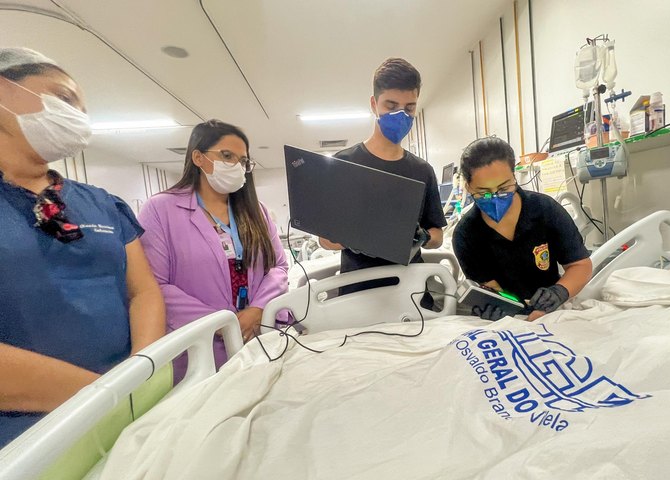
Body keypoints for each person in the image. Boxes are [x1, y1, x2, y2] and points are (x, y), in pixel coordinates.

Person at [0, 47, 165, 447]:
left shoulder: (103, 203)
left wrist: (140, 371)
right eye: (63, 98)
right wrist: (103, 396)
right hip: (28, 432)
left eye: (81, 108)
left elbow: (143, 291)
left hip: (133, 403)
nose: (76, 116)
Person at [138, 120, 288, 382]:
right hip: (201, 342)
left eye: (243, 161)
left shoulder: (255, 211)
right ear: (198, 157)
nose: (236, 166)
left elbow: (279, 267)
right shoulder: (161, 209)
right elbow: (155, 284)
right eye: (227, 156)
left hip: (258, 331)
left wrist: (257, 309)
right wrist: (220, 323)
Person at [319, 57, 446, 297]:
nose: (401, 115)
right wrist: (354, 238)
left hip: (412, 291)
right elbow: (325, 239)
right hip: (358, 292)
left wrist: (423, 237)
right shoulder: (342, 164)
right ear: (373, 104)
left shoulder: (422, 170)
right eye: (391, 105)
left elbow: (438, 234)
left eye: (409, 107)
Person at [452, 136, 592, 321]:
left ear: (514, 176)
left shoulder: (544, 210)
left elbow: (580, 265)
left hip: (555, 310)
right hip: (510, 316)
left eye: (503, 187)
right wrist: (501, 307)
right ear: (468, 187)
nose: (495, 197)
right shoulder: (466, 235)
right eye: (484, 192)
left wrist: (558, 293)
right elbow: (493, 290)